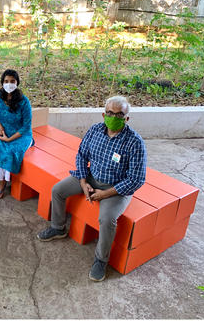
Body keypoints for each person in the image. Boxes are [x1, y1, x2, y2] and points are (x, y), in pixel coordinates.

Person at [37, 96, 147, 282]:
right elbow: (81, 155)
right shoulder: (95, 130)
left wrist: (106, 193)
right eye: (110, 113)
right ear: (104, 114)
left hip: (116, 188)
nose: (114, 117)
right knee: (58, 190)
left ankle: (101, 260)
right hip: (90, 177)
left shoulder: (134, 142)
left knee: (107, 219)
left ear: (126, 118)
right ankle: (58, 227)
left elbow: (136, 179)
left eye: (119, 114)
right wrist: (82, 181)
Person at [0, 69, 33, 199]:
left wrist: (10, 139)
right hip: (3, 131)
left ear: (17, 82)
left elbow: (26, 126)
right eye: (6, 81)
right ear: (2, 82)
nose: (9, 84)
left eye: (12, 81)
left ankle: (2, 183)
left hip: (21, 136)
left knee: (10, 151)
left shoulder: (24, 101)